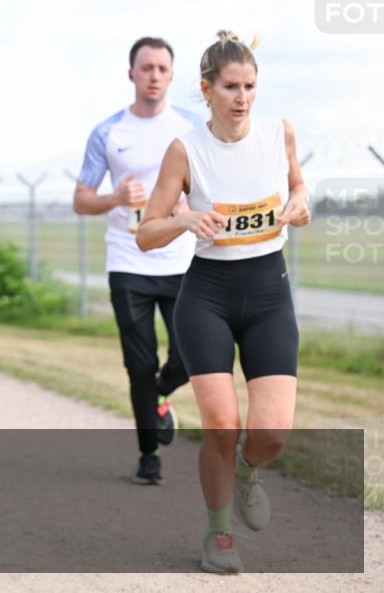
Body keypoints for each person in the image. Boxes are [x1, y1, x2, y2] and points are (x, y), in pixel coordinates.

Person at [136, 30, 310, 574]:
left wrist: (301, 204)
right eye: (230, 86)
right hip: (207, 296)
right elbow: (147, 233)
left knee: (271, 434)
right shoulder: (185, 150)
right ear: (206, 90)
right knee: (221, 423)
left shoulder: (278, 134)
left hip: (268, 296)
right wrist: (186, 218)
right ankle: (219, 535)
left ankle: (249, 472)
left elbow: (299, 188)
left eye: (250, 86)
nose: (242, 97)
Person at [73, 37, 203, 485]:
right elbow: (81, 200)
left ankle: (160, 397)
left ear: (171, 75)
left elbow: (213, 188)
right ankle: (149, 454)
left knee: (189, 358)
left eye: (162, 69)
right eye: (146, 68)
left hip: (182, 261)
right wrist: (114, 196)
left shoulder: (192, 129)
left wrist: (192, 208)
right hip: (129, 262)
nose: (154, 76)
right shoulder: (108, 132)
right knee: (140, 364)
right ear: (132, 73)